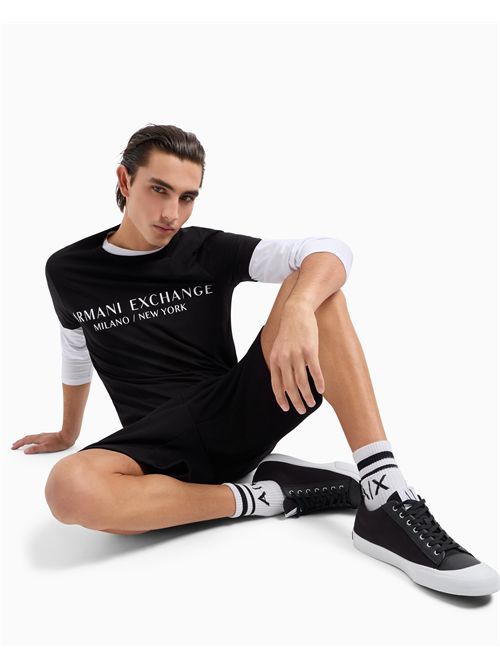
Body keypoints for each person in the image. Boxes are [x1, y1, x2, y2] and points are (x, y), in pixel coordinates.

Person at [12, 124, 499, 598]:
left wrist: (299, 308)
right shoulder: (68, 269)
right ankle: (264, 495)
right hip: (152, 445)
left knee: (319, 290)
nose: (171, 213)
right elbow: (75, 347)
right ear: (125, 180)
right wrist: (68, 432)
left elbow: (328, 249)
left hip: (232, 415)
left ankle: (383, 490)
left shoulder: (203, 250)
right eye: (159, 190)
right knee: (68, 489)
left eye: (187, 197)